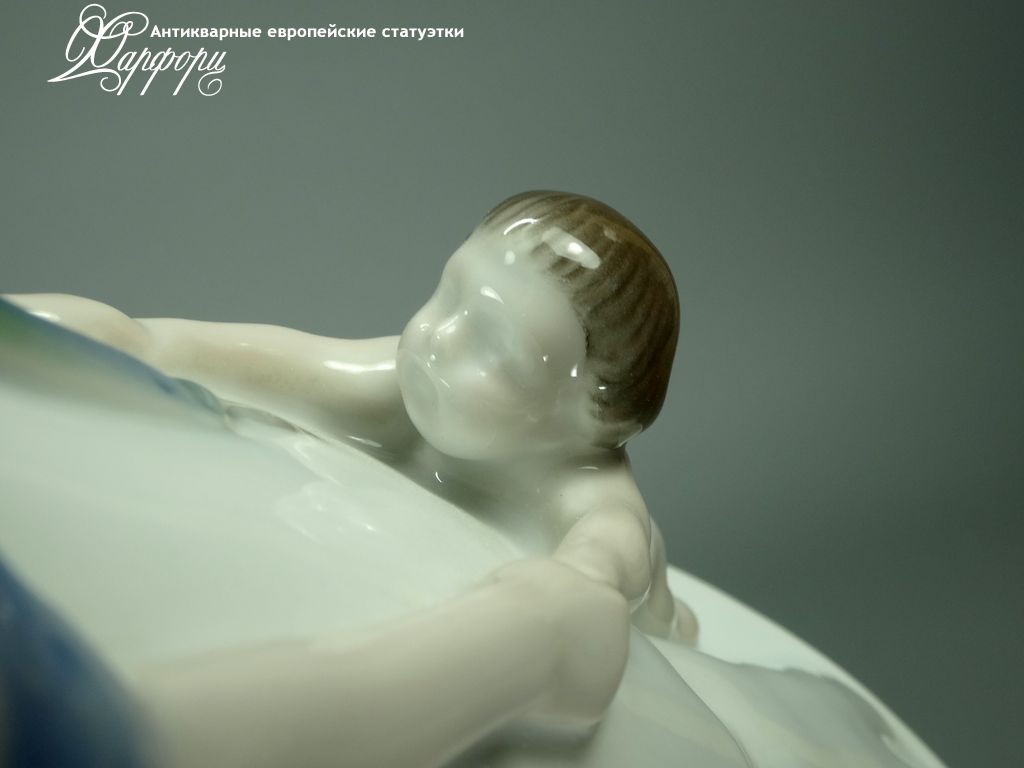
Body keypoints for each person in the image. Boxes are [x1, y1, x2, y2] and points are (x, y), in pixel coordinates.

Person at [6, 190, 699, 766]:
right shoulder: (400, 379)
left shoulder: (594, 503)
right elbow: (182, 346)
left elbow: (589, 591)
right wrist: (65, 333)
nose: (437, 338)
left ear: (590, 419)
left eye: (495, 348)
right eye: (448, 296)